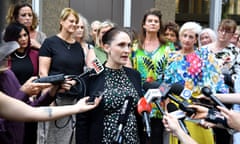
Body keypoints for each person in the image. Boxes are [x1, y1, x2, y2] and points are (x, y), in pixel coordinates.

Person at [76, 27, 145, 144]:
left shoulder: (135, 75)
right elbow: (83, 121)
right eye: (121, 45)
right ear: (106, 47)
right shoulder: (92, 78)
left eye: (129, 45)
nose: (127, 50)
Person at [163, 21, 229, 144]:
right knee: (179, 136)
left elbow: (216, 80)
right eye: (184, 35)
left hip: (197, 104)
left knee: (201, 137)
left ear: (195, 39)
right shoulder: (172, 56)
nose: (187, 39)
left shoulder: (203, 55)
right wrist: (167, 109)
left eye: (191, 37)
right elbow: (166, 83)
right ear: (180, 37)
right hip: (176, 104)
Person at [37, 8, 85, 144]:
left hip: (74, 99)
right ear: (61, 21)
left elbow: (80, 73)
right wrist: (48, 98)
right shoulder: (50, 43)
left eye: (76, 22)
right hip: (55, 98)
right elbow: (43, 73)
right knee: (52, 138)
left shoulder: (78, 47)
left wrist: (76, 83)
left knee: (71, 138)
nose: (74, 24)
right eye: (71, 21)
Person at [131, 8, 175, 144]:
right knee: (139, 136)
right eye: (150, 21)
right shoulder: (134, 47)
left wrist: (164, 96)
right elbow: (131, 71)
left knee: (156, 136)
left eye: (156, 21)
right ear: (144, 25)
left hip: (159, 98)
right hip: (139, 97)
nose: (153, 23)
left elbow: (170, 74)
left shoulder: (168, 47)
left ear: (159, 25)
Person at [3, 21, 42, 144]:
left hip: (30, 102)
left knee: (30, 137)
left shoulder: (35, 54)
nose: (23, 39)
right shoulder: (6, 58)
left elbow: (40, 76)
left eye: (25, 35)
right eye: (19, 36)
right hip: (11, 101)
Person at [205, 19, 240, 144]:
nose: (223, 34)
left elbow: (237, 75)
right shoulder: (204, 49)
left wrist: (226, 76)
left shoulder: (236, 52)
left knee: (222, 133)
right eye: (221, 30)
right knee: (203, 126)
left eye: (227, 32)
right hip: (204, 94)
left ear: (232, 35)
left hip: (225, 97)